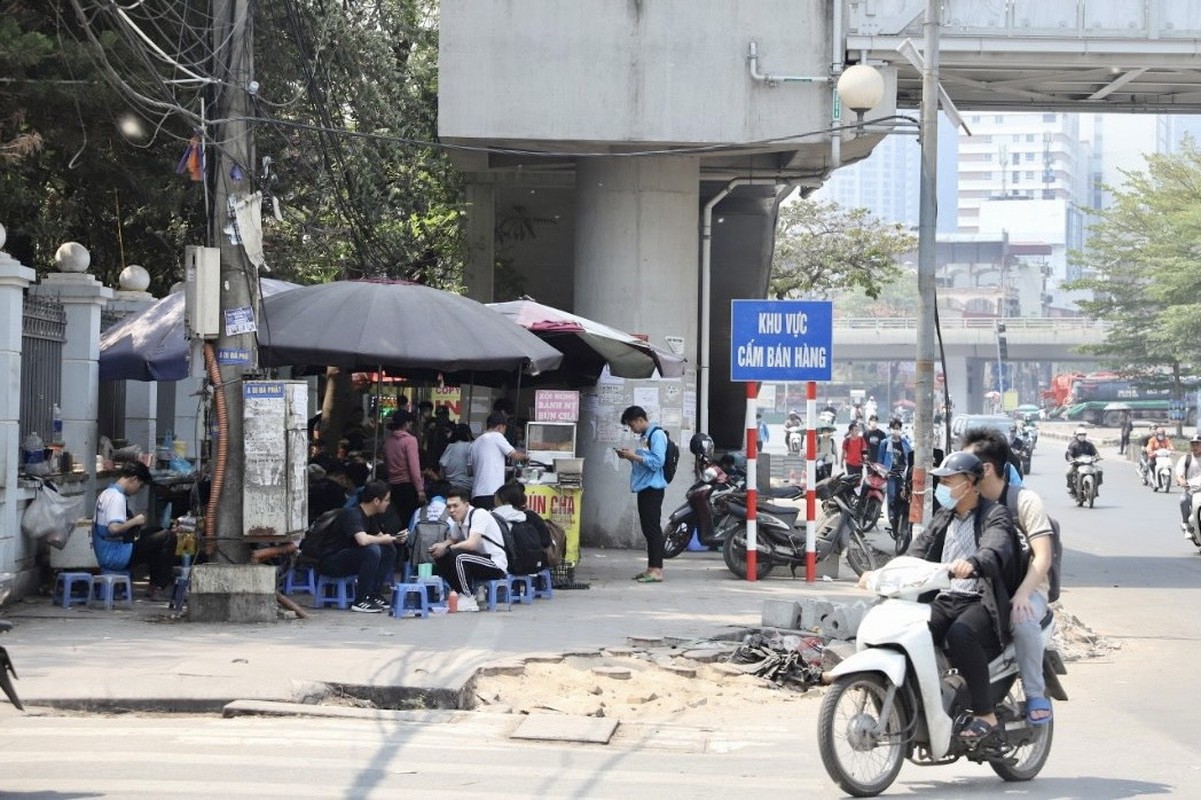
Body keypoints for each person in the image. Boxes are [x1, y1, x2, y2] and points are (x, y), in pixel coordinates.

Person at [905, 451, 1020, 741]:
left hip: (979, 600)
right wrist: (885, 573)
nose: (942, 487)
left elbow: (995, 547)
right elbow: (917, 549)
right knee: (909, 631)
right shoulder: (944, 517)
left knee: (960, 634)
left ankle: (986, 714)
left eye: (948, 481)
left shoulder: (995, 514)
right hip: (945, 598)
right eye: (940, 481)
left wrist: (974, 563)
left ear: (969, 483)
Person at [962, 428, 1056, 725]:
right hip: (979, 592)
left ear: (986, 468)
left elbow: (1043, 555)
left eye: (965, 463)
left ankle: (1035, 694)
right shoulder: (967, 503)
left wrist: (1024, 593)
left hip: (1023, 591)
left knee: (1022, 618)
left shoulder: (1024, 502)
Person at [92, 461, 178, 601]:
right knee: (167, 537)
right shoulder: (116, 498)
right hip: (116, 555)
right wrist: (135, 521)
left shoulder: (107, 493)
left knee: (157, 532)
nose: (138, 490)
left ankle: (155, 585)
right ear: (133, 479)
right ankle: (159, 587)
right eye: (140, 485)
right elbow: (113, 528)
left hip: (107, 549)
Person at [318, 480, 401, 613]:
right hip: (331, 561)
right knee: (372, 550)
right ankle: (361, 599)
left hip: (348, 558)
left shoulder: (370, 516)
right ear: (376, 501)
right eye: (386, 500)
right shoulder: (352, 513)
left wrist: (395, 538)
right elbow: (362, 540)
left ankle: (374, 593)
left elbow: (380, 537)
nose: (388, 503)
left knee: (388, 549)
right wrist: (382, 539)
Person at [428, 488, 507, 607]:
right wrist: (442, 546)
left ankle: (468, 597)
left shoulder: (479, 514)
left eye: (455, 506)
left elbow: (472, 544)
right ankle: (458, 593)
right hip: (477, 561)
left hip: (495, 564)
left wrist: (449, 548)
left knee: (458, 555)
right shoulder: (459, 522)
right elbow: (452, 539)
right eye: (449, 507)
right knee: (441, 555)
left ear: (466, 505)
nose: (452, 510)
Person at [616, 405, 668, 583]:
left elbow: (657, 462)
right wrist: (629, 456)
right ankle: (651, 568)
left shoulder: (657, 435)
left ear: (640, 420)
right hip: (645, 487)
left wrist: (633, 456)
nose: (632, 429)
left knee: (653, 529)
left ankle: (657, 570)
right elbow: (645, 463)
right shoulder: (646, 437)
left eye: (632, 425)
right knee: (648, 528)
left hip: (653, 488)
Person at [469, 411, 527, 509]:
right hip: (492, 493)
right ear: (500, 427)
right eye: (505, 429)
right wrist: (529, 457)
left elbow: (469, 471)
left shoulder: (475, 443)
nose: (504, 432)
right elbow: (515, 455)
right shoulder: (496, 436)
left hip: (476, 494)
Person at [382, 410, 425, 531]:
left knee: (397, 520)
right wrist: (420, 490)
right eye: (410, 422)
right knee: (409, 521)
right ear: (406, 423)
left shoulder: (388, 442)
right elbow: (414, 467)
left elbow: (386, 465)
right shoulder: (410, 440)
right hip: (408, 486)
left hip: (393, 486)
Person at [878, 418, 913, 521]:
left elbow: (910, 454)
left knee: (902, 494)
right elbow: (880, 459)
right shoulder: (885, 443)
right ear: (891, 429)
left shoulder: (904, 442)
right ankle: (892, 516)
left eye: (898, 428)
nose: (896, 430)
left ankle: (900, 515)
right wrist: (883, 472)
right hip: (890, 473)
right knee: (892, 495)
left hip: (903, 473)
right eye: (894, 428)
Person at [1175, 434, 1201, 535]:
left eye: (1197, 444)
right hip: (1191, 491)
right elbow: (1179, 475)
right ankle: (1186, 523)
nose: (1195, 447)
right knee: (1183, 500)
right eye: (1193, 444)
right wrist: (1181, 481)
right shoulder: (1185, 459)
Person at [439, 423, 474, 497]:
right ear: (468, 434)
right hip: (467, 487)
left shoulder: (450, 447)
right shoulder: (471, 447)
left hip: (450, 487)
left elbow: (443, 465)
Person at [1065, 427, 1099, 496]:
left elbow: (1095, 452)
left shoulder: (1089, 444)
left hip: (1088, 463)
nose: (1082, 436)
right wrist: (1072, 459)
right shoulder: (1073, 444)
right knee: (1069, 473)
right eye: (1080, 434)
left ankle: (1095, 488)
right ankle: (1072, 488)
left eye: (1084, 434)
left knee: (1099, 472)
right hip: (1077, 464)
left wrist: (1097, 457)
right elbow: (1069, 454)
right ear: (1077, 435)